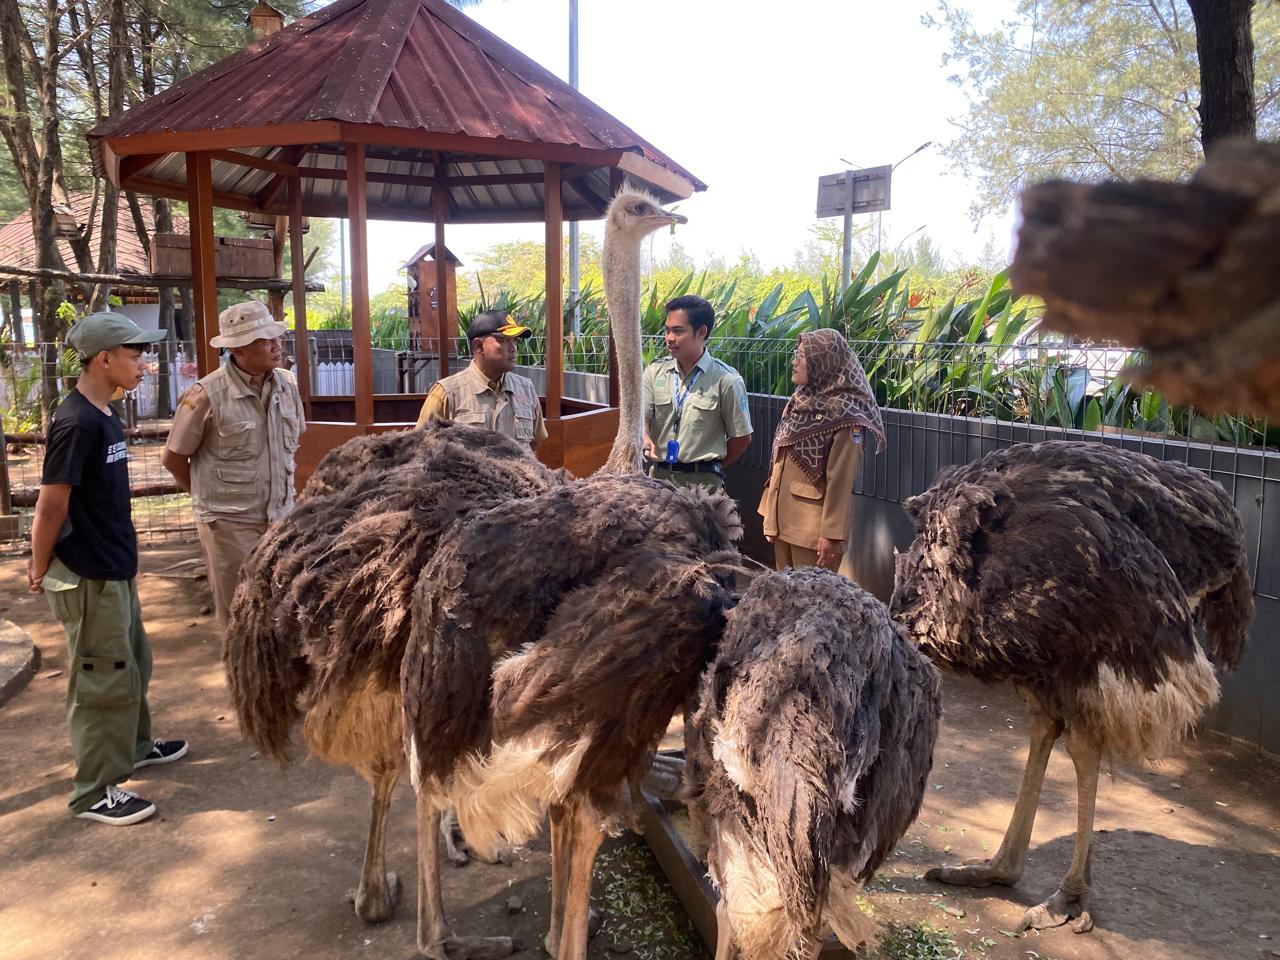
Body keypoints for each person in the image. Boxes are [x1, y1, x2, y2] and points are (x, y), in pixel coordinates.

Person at [28, 312, 188, 826]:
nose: (144, 363)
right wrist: (38, 564)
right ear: (105, 359)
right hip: (89, 573)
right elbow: (51, 504)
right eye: (135, 354)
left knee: (132, 662)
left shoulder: (102, 412)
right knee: (101, 679)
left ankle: (136, 746)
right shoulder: (75, 423)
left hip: (114, 567)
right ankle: (94, 790)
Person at [162, 300, 303, 631]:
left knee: (283, 610)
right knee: (240, 617)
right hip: (229, 528)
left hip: (281, 519)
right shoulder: (206, 395)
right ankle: (242, 683)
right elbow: (173, 458)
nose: (276, 345)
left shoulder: (287, 385)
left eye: (275, 337)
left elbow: (293, 451)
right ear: (238, 349)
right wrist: (211, 504)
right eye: (264, 340)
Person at [758, 328, 885, 573]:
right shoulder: (801, 399)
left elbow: (841, 480)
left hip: (812, 532)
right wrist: (770, 516)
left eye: (802, 356)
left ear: (823, 362)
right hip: (782, 521)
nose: (794, 361)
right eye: (796, 353)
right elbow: (780, 463)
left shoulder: (848, 416)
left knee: (812, 603)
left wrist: (832, 535)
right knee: (783, 598)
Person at [642, 295, 752, 489]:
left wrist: (708, 467)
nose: (669, 338)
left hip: (703, 488)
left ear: (701, 332)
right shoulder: (654, 372)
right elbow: (642, 417)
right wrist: (645, 437)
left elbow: (742, 438)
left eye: (677, 331)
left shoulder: (726, 380)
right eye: (667, 330)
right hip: (658, 482)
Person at [415, 310, 548, 449]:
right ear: (479, 346)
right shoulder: (448, 393)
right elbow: (420, 446)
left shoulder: (526, 389)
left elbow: (535, 443)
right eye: (504, 340)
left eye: (515, 340)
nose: (513, 348)